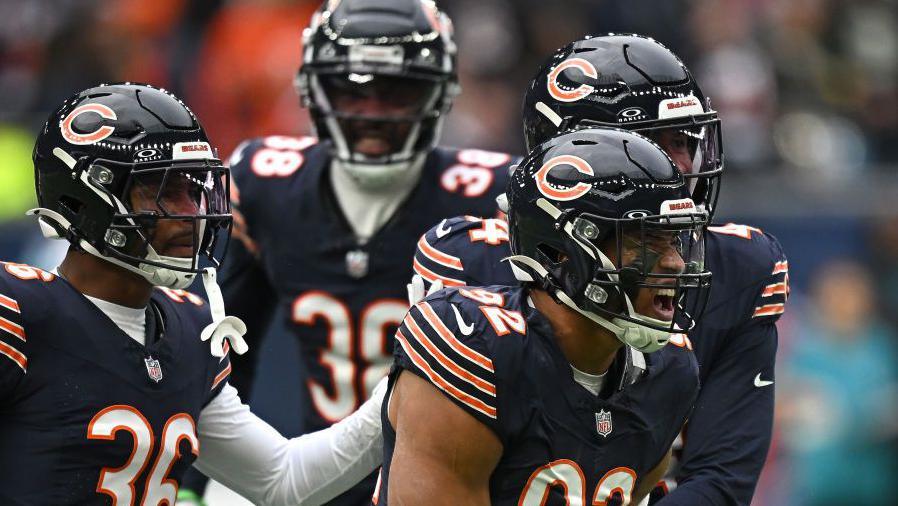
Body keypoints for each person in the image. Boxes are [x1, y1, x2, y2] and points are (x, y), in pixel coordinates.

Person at [412, 34, 789, 506]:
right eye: (651, 145)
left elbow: (720, 478)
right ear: (568, 158)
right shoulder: (471, 260)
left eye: (684, 142)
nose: (681, 166)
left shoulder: (737, 271)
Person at [0, 82, 384, 506]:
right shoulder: (20, 312)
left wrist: (397, 391)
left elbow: (282, 480)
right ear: (87, 199)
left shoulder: (188, 331)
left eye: (191, 189)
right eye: (162, 191)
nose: (190, 213)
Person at [204, 0, 517, 502]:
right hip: (316, 473)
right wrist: (197, 479)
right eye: (350, 90)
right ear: (312, 88)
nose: (371, 115)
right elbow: (222, 355)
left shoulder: (494, 198)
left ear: (439, 93)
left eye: (396, 93)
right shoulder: (267, 186)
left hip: (450, 479)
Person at [381, 126, 712, 505]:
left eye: (674, 240)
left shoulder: (669, 370)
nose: (675, 262)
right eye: (645, 240)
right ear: (561, 252)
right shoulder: (475, 346)